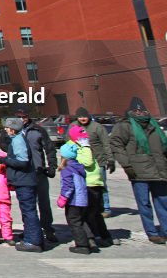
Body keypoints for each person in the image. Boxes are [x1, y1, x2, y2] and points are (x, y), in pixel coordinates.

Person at [109, 96, 167, 244]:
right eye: (136, 110)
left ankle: (166, 230)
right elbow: (116, 145)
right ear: (131, 111)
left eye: (142, 109)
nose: (140, 112)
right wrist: (126, 165)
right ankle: (152, 232)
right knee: (144, 204)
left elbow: (163, 147)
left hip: (159, 171)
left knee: (163, 202)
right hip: (138, 172)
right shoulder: (125, 126)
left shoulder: (154, 125)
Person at [0, 107, 58, 243]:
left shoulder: (37, 130)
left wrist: (51, 165)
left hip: (38, 171)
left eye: (24, 116)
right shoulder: (10, 131)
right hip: (23, 173)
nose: (22, 119)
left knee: (43, 203)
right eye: (19, 116)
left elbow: (49, 148)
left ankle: (48, 229)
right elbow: (2, 145)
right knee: (27, 205)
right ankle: (30, 231)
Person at [63, 125, 114, 249]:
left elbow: (87, 162)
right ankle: (96, 237)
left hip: (90, 184)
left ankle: (94, 238)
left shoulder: (84, 147)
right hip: (88, 183)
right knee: (90, 214)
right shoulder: (76, 146)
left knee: (89, 214)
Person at [0, 117, 43, 252]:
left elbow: (23, 162)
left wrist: (5, 160)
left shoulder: (18, 140)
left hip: (24, 180)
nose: (5, 129)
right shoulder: (17, 138)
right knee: (28, 210)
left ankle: (33, 241)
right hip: (24, 180)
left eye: (7, 127)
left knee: (29, 211)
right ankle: (31, 236)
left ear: (13, 129)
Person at [72, 107, 113, 216]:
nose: (83, 119)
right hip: (82, 162)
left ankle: (105, 208)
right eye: (80, 117)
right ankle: (90, 208)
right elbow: (69, 143)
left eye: (84, 116)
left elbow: (106, 144)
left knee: (101, 185)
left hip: (98, 161)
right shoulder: (73, 127)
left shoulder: (97, 127)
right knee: (84, 187)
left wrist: (110, 159)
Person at [57, 142, 93, 254]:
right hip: (83, 198)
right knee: (80, 220)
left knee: (74, 221)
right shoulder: (78, 166)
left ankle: (82, 244)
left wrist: (63, 197)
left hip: (74, 200)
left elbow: (68, 185)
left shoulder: (67, 168)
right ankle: (89, 239)